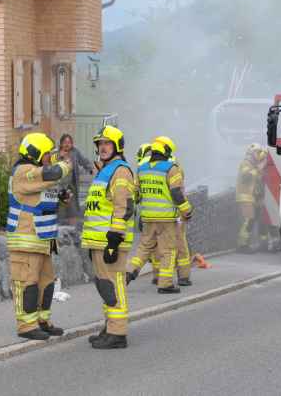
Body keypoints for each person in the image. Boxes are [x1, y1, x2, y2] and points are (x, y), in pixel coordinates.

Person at [6, 132, 72, 340]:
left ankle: (43, 321)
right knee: (27, 282)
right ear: (35, 153)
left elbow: (43, 197)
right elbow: (52, 173)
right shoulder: (24, 171)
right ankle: (26, 326)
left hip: (45, 239)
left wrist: (61, 197)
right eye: (47, 154)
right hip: (26, 239)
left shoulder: (34, 174)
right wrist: (66, 164)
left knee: (47, 281)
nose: (49, 158)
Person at [82, 125, 135, 349]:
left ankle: (118, 333)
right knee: (105, 285)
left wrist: (114, 239)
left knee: (114, 286)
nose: (102, 148)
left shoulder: (120, 170)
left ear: (117, 147)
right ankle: (110, 326)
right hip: (99, 241)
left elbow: (123, 207)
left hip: (110, 240)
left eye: (107, 144)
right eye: (100, 144)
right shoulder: (105, 170)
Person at [129, 136, 193, 294]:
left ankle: (128, 273)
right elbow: (177, 193)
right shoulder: (171, 168)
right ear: (166, 150)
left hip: (148, 217)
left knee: (143, 248)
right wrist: (187, 210)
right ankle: (165, 284)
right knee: (169, 251)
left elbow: (135, 194)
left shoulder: (142, 169)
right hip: (166, 219)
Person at [52, 134, 94, 225]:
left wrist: (90, 169)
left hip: (72, 185)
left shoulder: (75, 152)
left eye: (69, 142)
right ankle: (59, 228)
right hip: (59, 187)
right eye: (65, 142)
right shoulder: (55, 153)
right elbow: (52, 165)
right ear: (61, 143)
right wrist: (60, 156)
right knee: (61, 209)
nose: (67, 144)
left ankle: (73, 229)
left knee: (73, 209)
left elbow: (83, 161)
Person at [236, 143, 268, 253]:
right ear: (252, 153)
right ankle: (242, 245)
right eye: (257, 153)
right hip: (245, 197)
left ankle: (263, 243)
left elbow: (258, 182)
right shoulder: (246, 164)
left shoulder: (254, 165)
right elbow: (246, 176)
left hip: (254, 197)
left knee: (261, 219)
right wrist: (259, 169)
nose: (259, 155)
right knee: (248, 220)